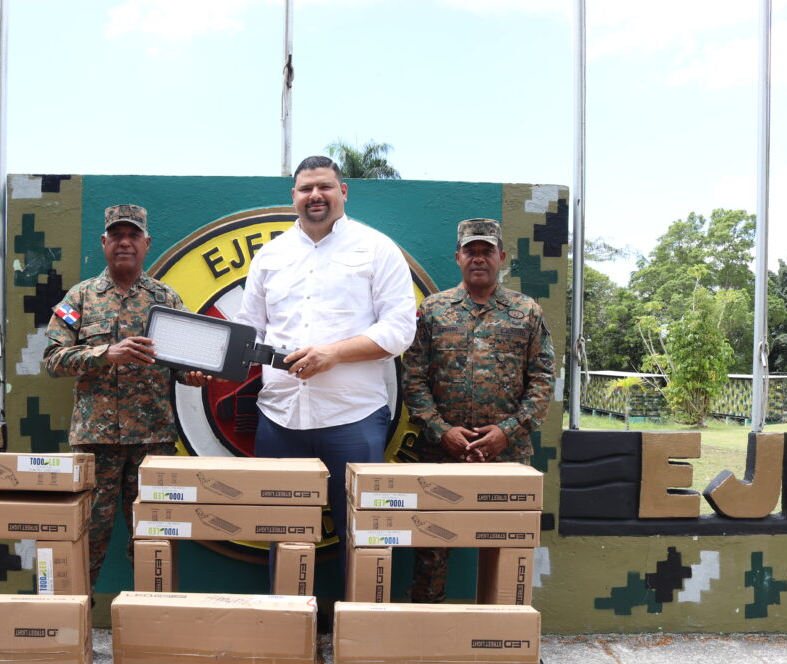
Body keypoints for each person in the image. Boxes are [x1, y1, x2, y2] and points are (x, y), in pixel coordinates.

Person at [235, 155, 417, 599]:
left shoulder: (377, 249)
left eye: (325, 187)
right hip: (280, 418)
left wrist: (333, 353)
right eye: (305, 188)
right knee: (283, 534)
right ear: (293, 196)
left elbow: (400, 329)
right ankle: (287, 631)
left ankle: (362, 636)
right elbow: (247, 331)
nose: (315, 196)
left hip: (353, 419)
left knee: (364, 534)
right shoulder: (271, 256)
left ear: (343, 192)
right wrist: (206, 358)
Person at [44, 204, 206, 589]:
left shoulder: (165, 298)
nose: (125, 243)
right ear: (104, 242)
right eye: (117, 235)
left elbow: (185, 362)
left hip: (153, 441)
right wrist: (105, 353)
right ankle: (74, 626)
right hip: (94, 443)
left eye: (133, 235)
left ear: (146, 243)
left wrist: (195, 375)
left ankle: (151, 627)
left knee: (156, 539)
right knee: (84, 538)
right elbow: (52, 360)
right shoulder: (80, 298)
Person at [402, 217, 555, 603]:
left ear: (501, 257)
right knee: (431, 548)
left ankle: (506, 635)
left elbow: (542, 381)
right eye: (471, 251)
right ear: (458, 257)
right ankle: (425, 632)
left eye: (487, 251)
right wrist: (442, 431)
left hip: (507, 456)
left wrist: (508, 431)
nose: (479, 258)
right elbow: (413, 379)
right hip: (441, 454)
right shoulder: (434, 311)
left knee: (509, 549)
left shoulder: (527, 312)